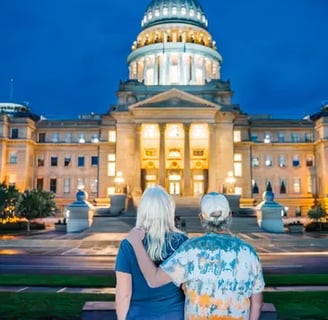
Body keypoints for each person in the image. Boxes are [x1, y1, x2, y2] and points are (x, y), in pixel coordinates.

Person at [128, 192, 265, 320]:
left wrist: (136, 243)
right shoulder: (249, 253)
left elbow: (154, 279)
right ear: (229, 215)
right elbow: (257, 303)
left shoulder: (191, 249)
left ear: (201, 218)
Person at [115, 185, 188, 320]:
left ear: (143, 211)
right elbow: (187, 287)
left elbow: (123, 295)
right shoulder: (182, 242)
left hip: (139, 315)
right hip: (174, 314)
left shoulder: (128, 244)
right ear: (168, 210)